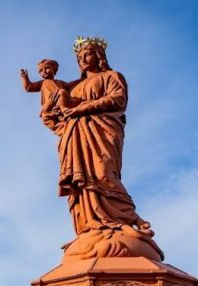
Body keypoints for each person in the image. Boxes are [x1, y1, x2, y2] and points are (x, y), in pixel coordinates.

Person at [52, 38, 151, 238]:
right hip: (75, 135)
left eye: (86, 54)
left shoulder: (112, 76)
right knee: (82, 179)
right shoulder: (75, 87)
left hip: (102, 131)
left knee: (103, 171)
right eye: (79, 57)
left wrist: (82, 107)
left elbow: (117, 99)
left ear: (98, 56)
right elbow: (56, 116)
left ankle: (127, 218)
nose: (82, 59)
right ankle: (91, 223)